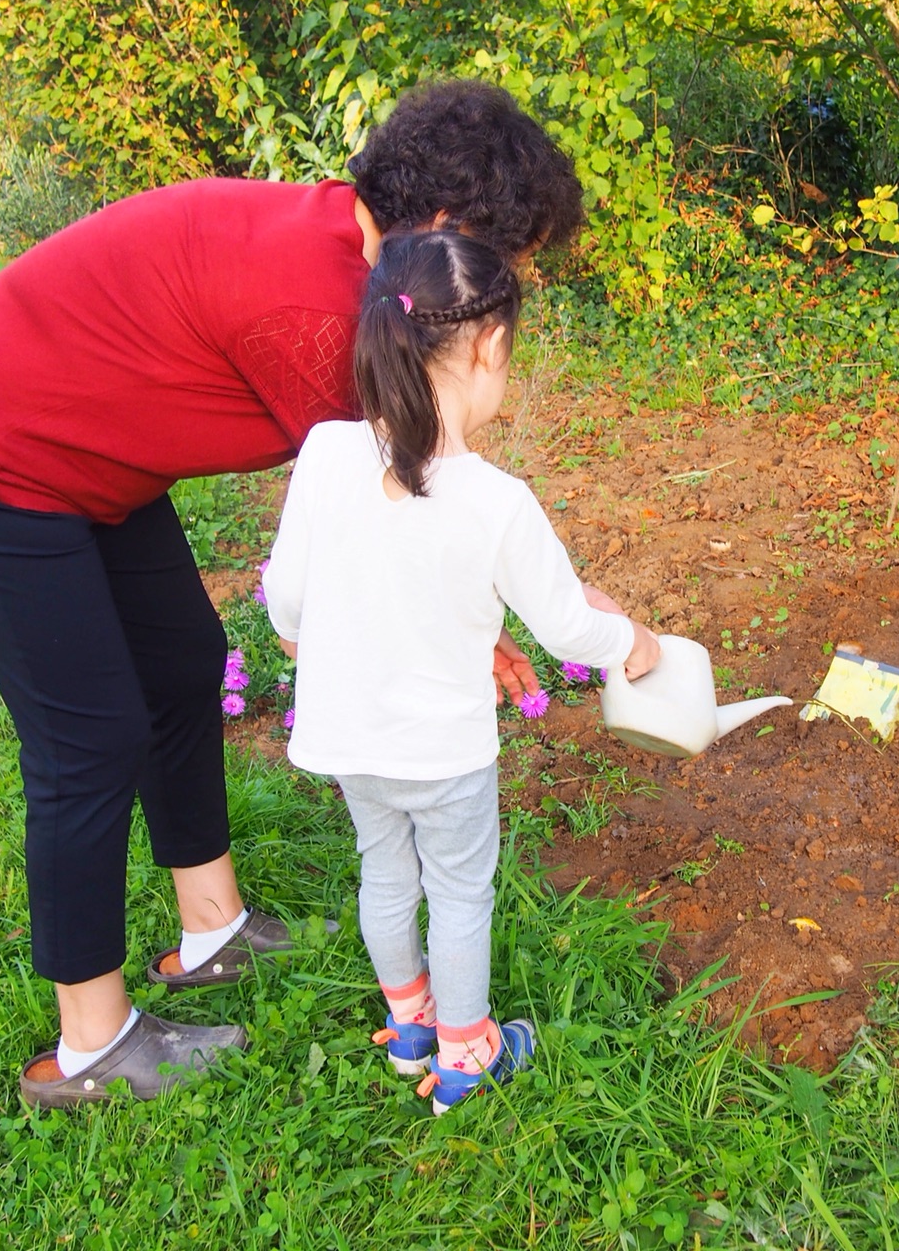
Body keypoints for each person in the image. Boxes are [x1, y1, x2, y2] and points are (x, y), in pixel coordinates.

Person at [0, 81, 586, 1110]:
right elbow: (393, 527)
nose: (512, 284)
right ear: (444, 233)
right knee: (90, 742)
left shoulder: (354, 259)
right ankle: (91, 1044)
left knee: (178, 663)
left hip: (92, 454)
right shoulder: (325, 317)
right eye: (511, 262)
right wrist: (498, 624)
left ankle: (211, 928)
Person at [261, 229, 660, 1114]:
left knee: (384, 871)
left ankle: (409, 1027)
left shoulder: (326, 455)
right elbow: (563, 625)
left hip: (352, 743)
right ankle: (466, 1054)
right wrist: (632, 640)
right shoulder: (496, 502)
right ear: (488, 349)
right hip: (444, 755)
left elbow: (287, 602)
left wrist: (334, 644)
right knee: (459, 892)